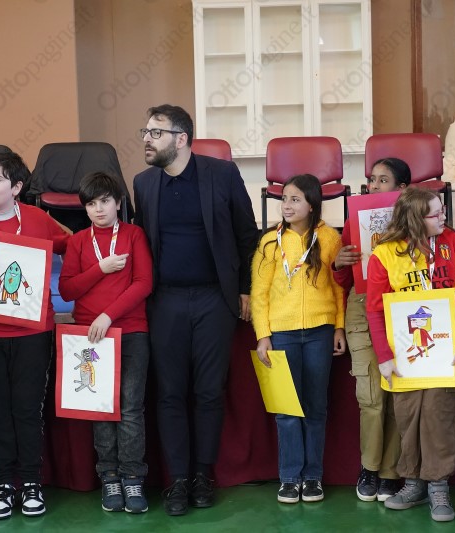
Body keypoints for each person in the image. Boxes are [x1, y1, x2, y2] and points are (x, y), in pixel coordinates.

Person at [133, 104, 259, 516]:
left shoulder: (222, 174)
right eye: (145, 132)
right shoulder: (143, 183)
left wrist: (246, 289)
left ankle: (203, 475)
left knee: (208, 391)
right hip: (165, 301)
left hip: (214, 300)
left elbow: (247, 235)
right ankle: (177, 480)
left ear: (181, 138)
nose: (147, 139)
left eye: (156, 133)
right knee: (169, 393)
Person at [0, 152, 70, 519]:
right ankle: (3, 484)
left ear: (17, 187)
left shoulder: (39, 219)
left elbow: (74, 245)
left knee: (27, 408)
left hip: (33, 331)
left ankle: (32, 482)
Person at [366, 187, 455, 522]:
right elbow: (375, 310)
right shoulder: (384, 253)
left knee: (438, 416)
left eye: (442, 210)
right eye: (435, 213)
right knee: (408, 416)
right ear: (415, 219)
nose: (443, 217)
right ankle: (413, 483)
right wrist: (384, 356)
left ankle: (438, 485)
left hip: (445, 348)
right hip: (404, 352)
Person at [58, 171, 152, 514]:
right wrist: (101, 268)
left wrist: (108, 315)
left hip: (130, 331)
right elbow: (67, 289)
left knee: (130, 409)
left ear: (118, 203)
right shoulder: (78, 241)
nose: (98, 209)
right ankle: (109, 476)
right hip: (90, 336)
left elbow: (143, 283)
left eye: (105, 201)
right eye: (91, 204)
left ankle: (132, 477)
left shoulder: (133, 234)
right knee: (100, 409)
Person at [252, 174, 346, 504]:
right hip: (282, 334)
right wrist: (263, 335)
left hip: (320, 333)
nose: (287, 205)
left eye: (295, 199)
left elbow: (338, 287)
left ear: (312, 204)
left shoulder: (329, 237)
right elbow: (259, 294)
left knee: (315, 407)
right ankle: (290, 478)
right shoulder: (269, 242)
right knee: (287, 410)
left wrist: (338, 327)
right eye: (284, 199)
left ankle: (313, 477)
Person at [332, 158, 409, 502]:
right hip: (362, 310)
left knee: (396, 395)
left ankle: (391, 472)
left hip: (402, 308)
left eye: (383, 180)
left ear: (402, 189)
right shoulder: (356, 219)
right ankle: (370, 468)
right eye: (371, 180)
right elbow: (343, 279)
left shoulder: (414, 220)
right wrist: (339, 264)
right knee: (371, 397)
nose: (374, 186)